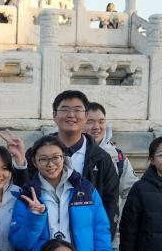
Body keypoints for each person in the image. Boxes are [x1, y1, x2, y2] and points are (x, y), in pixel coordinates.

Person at [7, 136, 114, 251]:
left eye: (56, 158)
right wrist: (35, 217)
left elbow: (101, 237)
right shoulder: (28, 195)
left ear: (64, 157)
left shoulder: (86, 190)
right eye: (43, 159)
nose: (50, 164)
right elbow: (21, 243)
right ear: (34, 163)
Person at [49, 90, 120, 234]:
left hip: (87, 239)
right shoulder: (38, 153)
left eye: (77, 110)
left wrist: (102, 241)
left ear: (85, 115)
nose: (71, 115)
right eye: (64, 110)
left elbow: (110, 204)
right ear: (54, 116)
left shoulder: (101, 159)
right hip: (48, 238)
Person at [84, 102, 136, 206]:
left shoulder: (117, 156)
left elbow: (132, 192)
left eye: (101, 121)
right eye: (90, 122)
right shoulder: (71, 152)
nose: (96, 127)